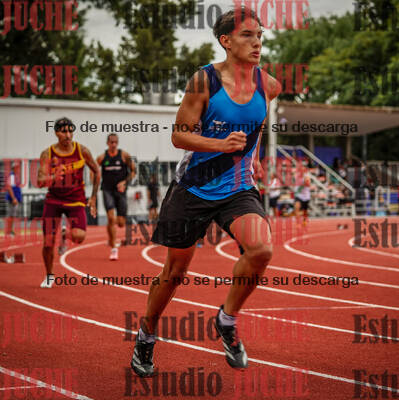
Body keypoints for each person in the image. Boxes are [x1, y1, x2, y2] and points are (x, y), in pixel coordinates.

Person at [130, 7, 281, 377]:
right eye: (247, 35)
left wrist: (255, 157)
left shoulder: (269, 85)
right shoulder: (204, 81)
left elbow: (257, 123)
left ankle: (227, 320)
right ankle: (146, 336)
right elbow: (179, 135)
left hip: (238, 187)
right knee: (174, 271)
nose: (257, 43)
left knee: (261, 249)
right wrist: (220, 145)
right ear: (226, 41)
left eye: (260, 35)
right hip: (194, 187)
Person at [37, 117, 100, 288]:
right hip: (54, 200)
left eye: (70, 131)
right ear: (56, 133)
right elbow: (40, 181)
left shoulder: (82, 151)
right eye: (64, 131)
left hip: (75, 199)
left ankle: (65, 235)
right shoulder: (48, 154)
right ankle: (49, 275)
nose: (68, 135)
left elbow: (97, 171)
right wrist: (53, 177)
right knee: (48, 242)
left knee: (79, 237)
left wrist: (93, 197)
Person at [97, 133, 136, 260]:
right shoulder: (102, 157)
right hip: (107, 190)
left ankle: (111, 239)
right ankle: (114, 248)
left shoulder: (124, 155)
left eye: (115, 142)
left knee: (121, 223)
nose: (113, 144)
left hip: (120, 191)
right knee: (110, 218)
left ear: (117, 143)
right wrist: (95, 181)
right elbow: (94, 169)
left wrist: (125, 182)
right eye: (111, 142)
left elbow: (134, 171)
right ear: (107, 143)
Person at [5, 162, 22, 237]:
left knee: (12, 216)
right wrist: (13, 198)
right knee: (10, 216)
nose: (18, 169)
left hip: (14, 199)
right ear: (14, 168)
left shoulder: (15, 176)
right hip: (12, 200)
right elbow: (9, 188)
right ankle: (8, 231)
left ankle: (10, 231)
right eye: (17, 167)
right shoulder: (12, 176)